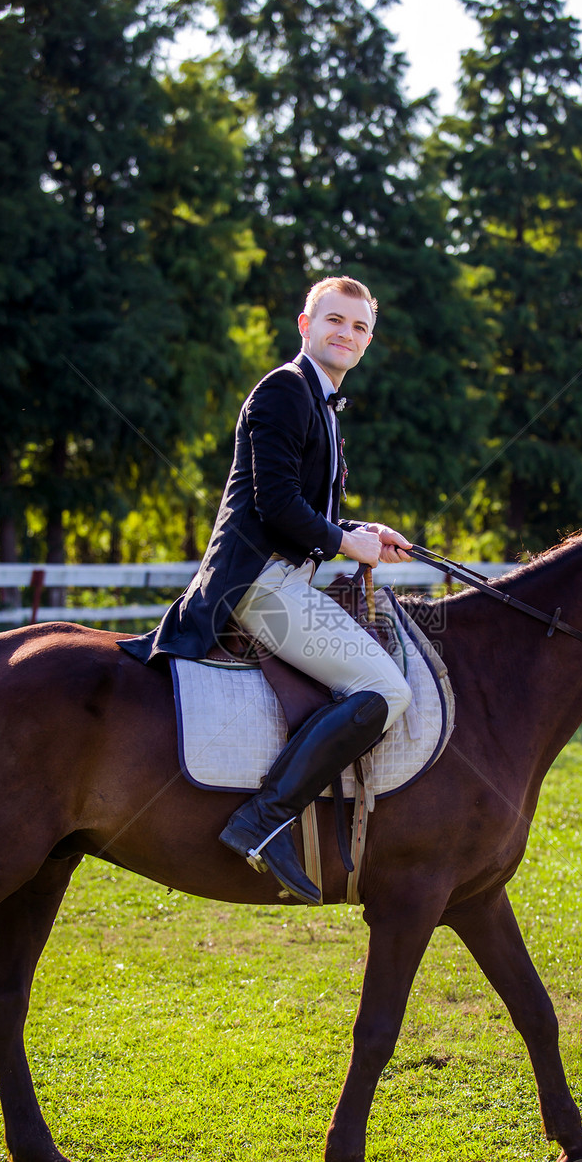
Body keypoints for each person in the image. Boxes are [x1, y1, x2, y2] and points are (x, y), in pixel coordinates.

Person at [120, 276, 413, 904]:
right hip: (258, 582)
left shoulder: (321, 400)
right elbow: (276, 506)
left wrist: (361, 531)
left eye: (360, 327)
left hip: (284, 575)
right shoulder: (284, 389)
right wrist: (344, 543)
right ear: (304, 325)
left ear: (367, 342)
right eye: (335, 321)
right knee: (386, 688)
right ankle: (263, 820)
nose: (347, 334)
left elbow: (302, 506)